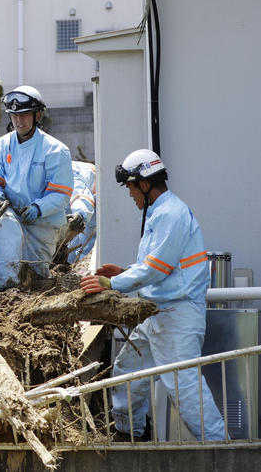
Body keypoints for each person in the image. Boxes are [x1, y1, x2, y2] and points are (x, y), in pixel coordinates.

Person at [81, 149, 225, 442]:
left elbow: (156, 270)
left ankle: (222, 449)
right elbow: (158, 267)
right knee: (128, 371)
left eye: (131, 188)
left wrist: (113, 283)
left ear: (145, 184)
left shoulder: (171, 214)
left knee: (186, 392)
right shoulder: (161, 213)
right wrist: (124, 271)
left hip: (176, 317)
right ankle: (130, 435)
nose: (130, 194)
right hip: (157, 313)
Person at [0, 85, 72, 289]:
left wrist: (38, 208)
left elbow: (60, 194)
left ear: (38, 115)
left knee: (35, 279)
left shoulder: (56, 150)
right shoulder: (0, 146)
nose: (19, 121)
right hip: (9, 213)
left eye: (25, 115)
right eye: (14, 115)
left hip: (41, 222)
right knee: (6, 261)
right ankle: (7, 290)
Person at [65, 161, 97, 264]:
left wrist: (80, 214)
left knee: (84, 251)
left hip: (93, 203)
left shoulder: (71, 173)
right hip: (74, 205)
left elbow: (81, 195)